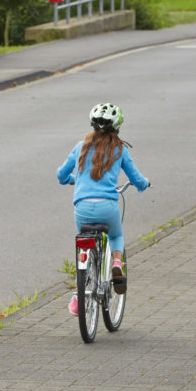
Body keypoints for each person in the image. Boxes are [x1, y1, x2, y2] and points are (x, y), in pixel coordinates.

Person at [57, 103, 150, 315]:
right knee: (116, 236)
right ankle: (117, 262)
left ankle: (78, 296)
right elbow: (136, 179)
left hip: (82, 208)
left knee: (83, 247)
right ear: (117, 128)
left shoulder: (81, 147)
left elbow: (61, 174)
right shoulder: (120, 150)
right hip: (108, 207)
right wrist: (144, 184)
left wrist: (71, 180)